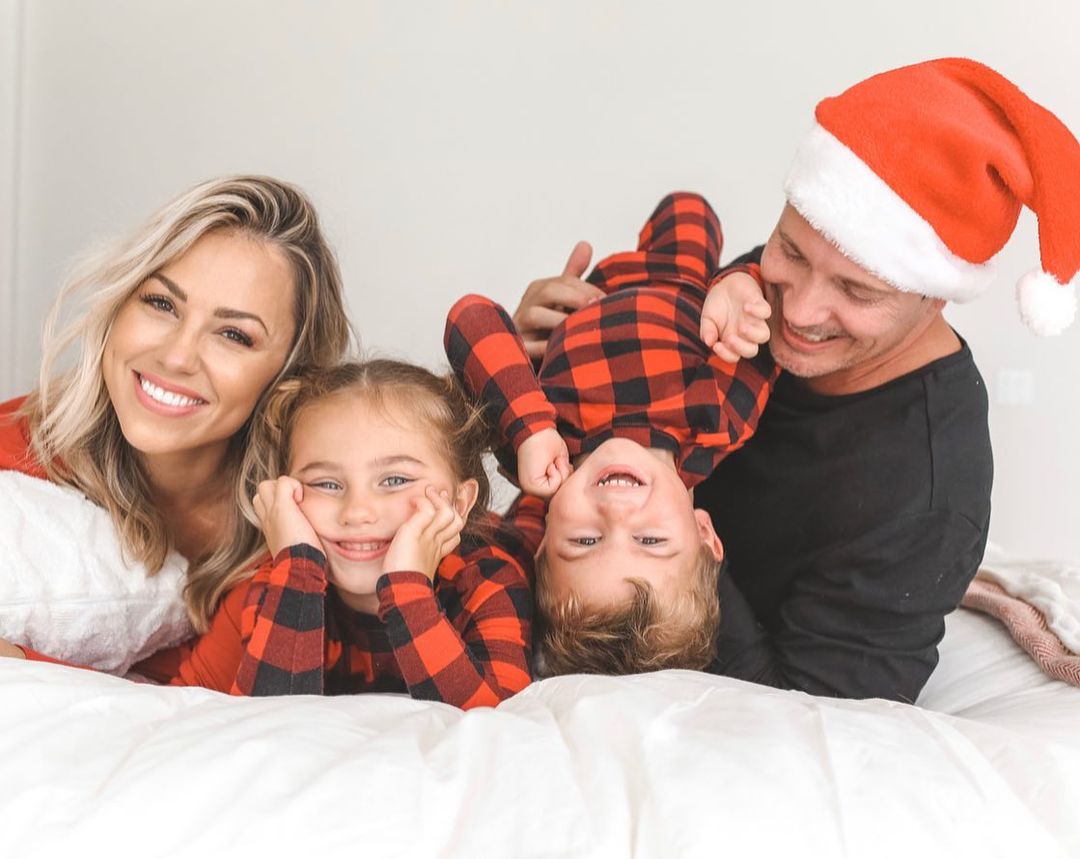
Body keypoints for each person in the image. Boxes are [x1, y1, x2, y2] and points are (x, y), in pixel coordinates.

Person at [509, 57, 1080, 701]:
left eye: (855, 291)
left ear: (936, 295)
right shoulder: (753, 294)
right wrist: (550, 357)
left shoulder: (925, 495)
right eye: (791, 252)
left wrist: (684, 556)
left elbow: (809, 712)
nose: (798, 313)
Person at [0, 175, 354, 661]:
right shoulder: (20, 450)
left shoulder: (301, 525)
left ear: (288, 376)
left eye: (234, 335)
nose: (177, 356)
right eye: (161, 303)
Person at [446, 192, 777, 675]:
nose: (617, 513)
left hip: (584, 297)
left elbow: (469, 315)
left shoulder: (535, 443)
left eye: (583, 541)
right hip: (679, 276)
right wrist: (738, 285)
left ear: (541, 541)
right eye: (650, 541)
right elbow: (772, 321)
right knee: (690, 212)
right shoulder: (720, 415)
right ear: (705, 534)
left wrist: (529, 425)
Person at [134, 360, 541, 709]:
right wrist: (297, 573)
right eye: (327, 484)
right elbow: (242, 722)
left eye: (395, 479)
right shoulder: (279, 581)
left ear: (459, 500)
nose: (358, 512)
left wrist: (407, 590)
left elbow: (493, 725)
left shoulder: (487, 580)